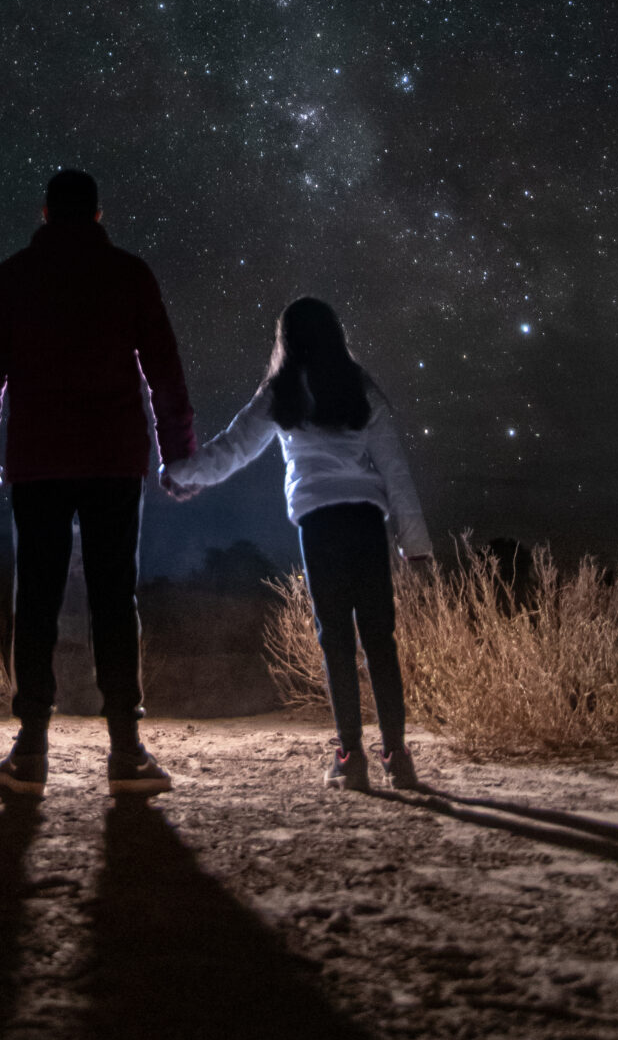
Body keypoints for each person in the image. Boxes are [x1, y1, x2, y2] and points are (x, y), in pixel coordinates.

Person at [0, 168, 196, 798]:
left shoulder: (12, 276)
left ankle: (31, 748)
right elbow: (165, 371)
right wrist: (179, 454)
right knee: (115, 598)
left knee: (34, 597)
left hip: (38, 459)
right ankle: (125, 749)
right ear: (97, 215)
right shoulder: (130, 273)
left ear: (44, 214)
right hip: (115, 457)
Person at [163, 295, 433, 792]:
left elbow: (234, 447)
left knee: (334, 637)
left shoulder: (281, 391)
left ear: (285, 340)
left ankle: (350, 757)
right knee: (379, 637)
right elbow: (395, 468)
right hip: (366, 521)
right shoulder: (360, 387)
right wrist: (414, 542)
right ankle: (398, 756)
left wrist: (181, 472)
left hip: (319, 522)